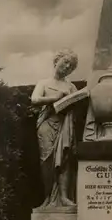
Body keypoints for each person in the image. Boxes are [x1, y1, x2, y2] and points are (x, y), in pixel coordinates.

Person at [31, 49, 79, 208]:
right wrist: (55, 99)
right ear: (56, 60)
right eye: (65, 62)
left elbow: (75, 104)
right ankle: (48, 197)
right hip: (46, 124)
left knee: (64, 160)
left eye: (71, 66)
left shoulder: (71, 86)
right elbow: (35, 99)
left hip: (64, 124)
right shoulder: (44, 83)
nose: (67, 67)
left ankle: (64, 197)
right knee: (47, 160)